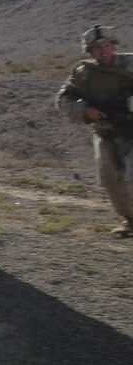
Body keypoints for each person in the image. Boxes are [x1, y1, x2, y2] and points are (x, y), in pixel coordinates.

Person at [56, 24, 133, 236]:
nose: (104, 52)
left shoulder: (130, 63)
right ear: (90, 52)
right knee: (111, 181)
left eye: (107, 46)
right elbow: (62, 99)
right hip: (105, 132)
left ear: (113, 45)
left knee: (131, 174)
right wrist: (85, 109)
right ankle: (130, 220)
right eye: (98, 49)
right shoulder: (83, 73)